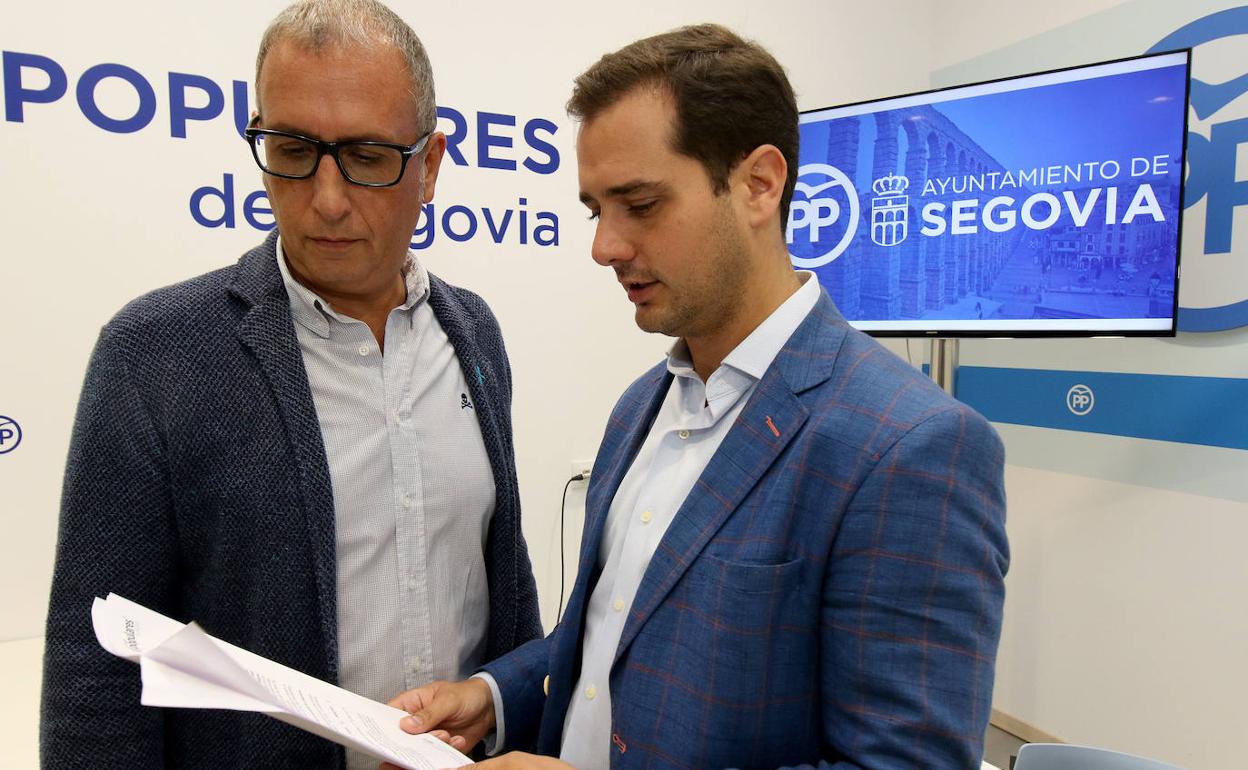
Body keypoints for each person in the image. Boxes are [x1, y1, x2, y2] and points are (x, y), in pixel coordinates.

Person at [389, 24, 1008, 770]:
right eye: (595, 210)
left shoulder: (911, 447)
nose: (604, 247)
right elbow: (618, 632)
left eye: (641, 204)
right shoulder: (640, 407)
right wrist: (495, 696)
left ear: (759, 185)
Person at [39, 1, 541, 768]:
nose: (327, 199)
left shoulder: (473, 333)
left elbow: (505, 588)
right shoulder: (152, 354)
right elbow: (97, 669)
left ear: (431, 165)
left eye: (368, 156)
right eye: (293, 150)